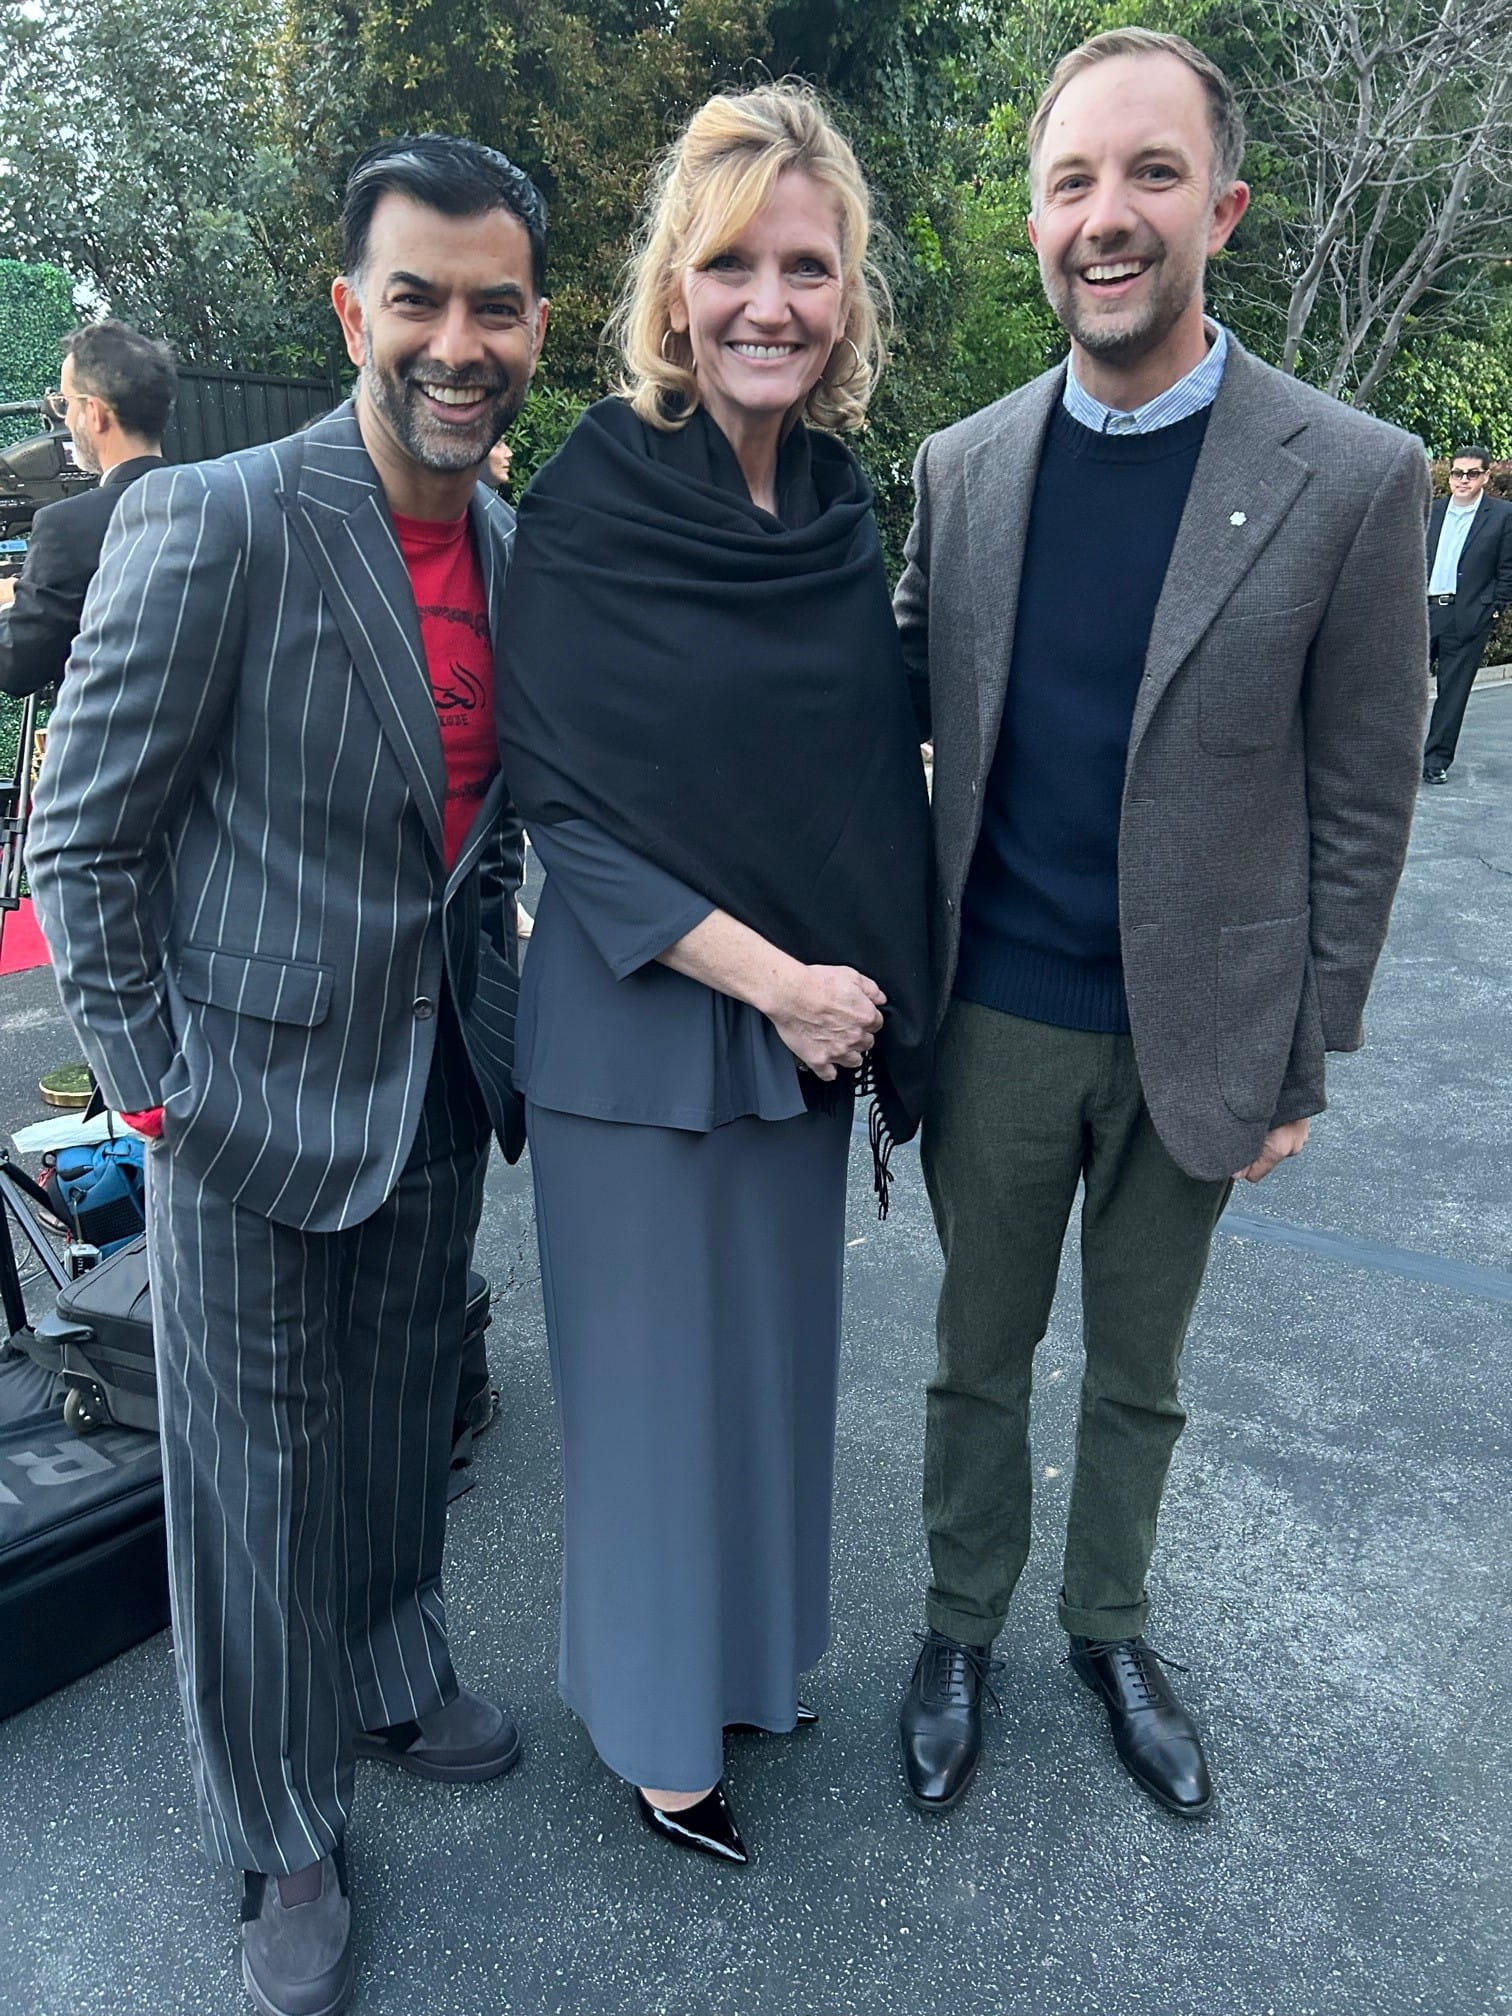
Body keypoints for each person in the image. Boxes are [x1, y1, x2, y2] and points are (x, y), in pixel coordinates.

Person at [28, 134, 549, 2016]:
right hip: (236, 1103)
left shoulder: (513, 537)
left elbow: (476, 833)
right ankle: (275, 1819)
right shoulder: (221, 518)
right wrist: (161, 1095)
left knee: (408, 1413)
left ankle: (394, 1665)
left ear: (535, 326)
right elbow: (75, 840)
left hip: (430, 1087)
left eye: (493, 303)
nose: (455, 337)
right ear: (353, 309)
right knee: (249, 1476)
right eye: (417, 296)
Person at [893, 29, 1427, 1821]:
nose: (1103, 215)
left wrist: (1307, 1048)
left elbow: (1362, 794)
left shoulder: (1352, 475)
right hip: (997, 1023)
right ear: (1033, 218)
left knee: (1143, 1371)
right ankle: (958, 1620)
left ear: (1222, 205)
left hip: (1200, 1027)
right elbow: (869, 706)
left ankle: (1105, 1623)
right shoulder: (960, 469)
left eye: (1145, 175)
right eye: (1069, 180)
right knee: (973, 1354)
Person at [498, 82, 933, 1865]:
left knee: (766, 1380)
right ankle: (663, 1738)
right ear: (673, 289)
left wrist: (838, 999)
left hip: (792, 1047)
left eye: (807, 266)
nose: (772, 299)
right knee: (653, 1407)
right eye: (734, 261)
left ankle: (748, 1663)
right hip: (641, 1038)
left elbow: (840, 779)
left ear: (848, 301)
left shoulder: (833, 509)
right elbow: (570, 812)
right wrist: (786, 982)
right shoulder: (599, 495)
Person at [0, 318, 175, 697]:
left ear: (94, 413)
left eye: (65, 403)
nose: (63, 418)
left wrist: (5, 603)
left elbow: (18, 667)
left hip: (110, 748)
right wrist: (27, 592)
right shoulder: (216, 499)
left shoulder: (65, 527)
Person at [1422, 445, 1512, 783]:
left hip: (1467, 616)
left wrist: (1491, 610)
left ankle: (1435, 762)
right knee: (1402, 689)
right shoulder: (1433, 511)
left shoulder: (1502, 515)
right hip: (1424, 611)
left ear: (1486, 477)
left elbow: (1508, 571)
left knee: (1453, 693)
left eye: (1472, 473)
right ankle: (1396, 756)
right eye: (1458, 472)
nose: (1463, 479)